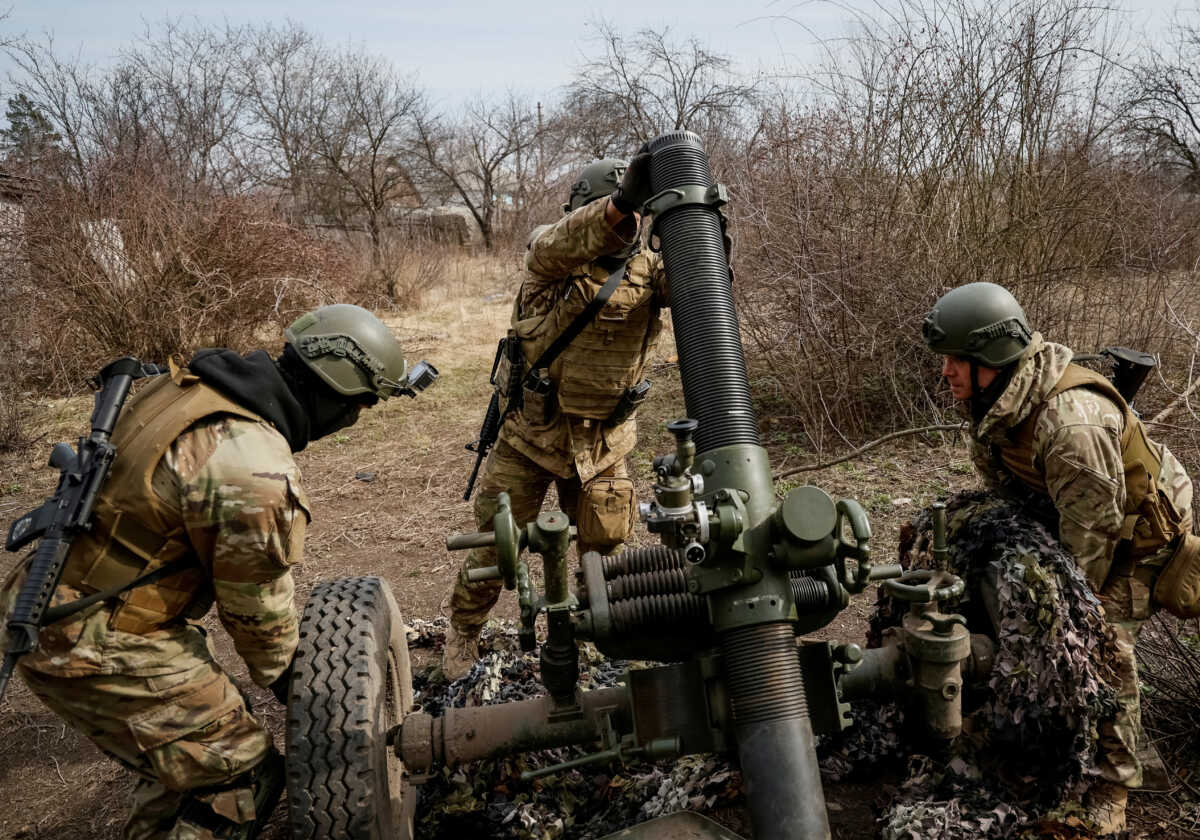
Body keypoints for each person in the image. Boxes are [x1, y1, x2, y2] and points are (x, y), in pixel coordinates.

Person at [0, 304, 422, 839]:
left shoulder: (191, 387)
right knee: (241, 775)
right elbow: (258, 622)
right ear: (334, 390)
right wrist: (324, 696)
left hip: (59, 593)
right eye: (359, 405)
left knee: (200, 741)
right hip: (92, 637)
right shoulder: (253, 468)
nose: (354, 419)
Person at [922, 282, 1196, 835]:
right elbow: (1009, 493)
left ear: (991, 359)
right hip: (1077, 512)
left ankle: (1112, 783)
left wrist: (1058, 619)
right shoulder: (996, 400)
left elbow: (1090, 546)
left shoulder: (1070, 425)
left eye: (957, 360)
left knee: (1097, 642)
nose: (946, 372)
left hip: (1139, 538)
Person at [443, 151, 667, 680]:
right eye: (616, 214)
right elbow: (558, 242)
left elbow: (701, 288)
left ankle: (599, 636)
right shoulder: (550, 260)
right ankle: (463, 633)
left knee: (606, 557)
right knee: (495, 551)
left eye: (637, 217)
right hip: (529, 437)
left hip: (605, 443)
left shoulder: (651, 269)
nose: (629, 226)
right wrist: (622, 203)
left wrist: (701, 227)